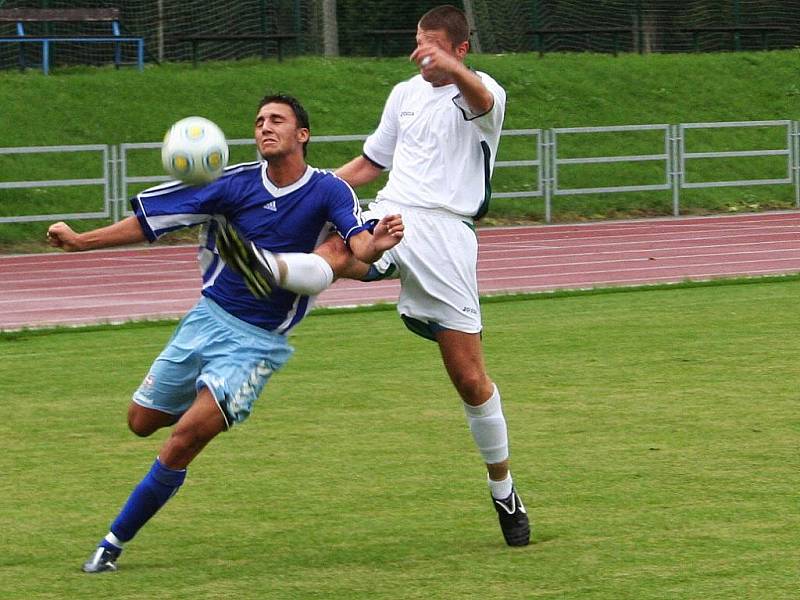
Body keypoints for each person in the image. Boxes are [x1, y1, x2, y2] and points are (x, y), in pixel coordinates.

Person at [46, 93, 404, 573]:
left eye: (277, 119)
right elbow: (152, 222)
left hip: (258, 344)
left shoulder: (328, 190)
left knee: (185, 438)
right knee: (141, 421)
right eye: (258, 121)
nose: (264, 127)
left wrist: (374, 245)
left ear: (303, 135)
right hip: (206, 321)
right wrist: (80, 242)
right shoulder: (230, 185)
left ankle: (112, 543)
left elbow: (357, 242)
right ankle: (201, 398)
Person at [225, 5, 529, 547]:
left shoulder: (483, 91)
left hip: (448, 237)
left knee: (470, 380)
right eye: (417, 44)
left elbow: (478, 97)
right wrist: (308, 190)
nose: (421, 55)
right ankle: (272, 272)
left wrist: (452, 69)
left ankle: (503, 487)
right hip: (394, 210)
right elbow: (369, 165)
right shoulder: (403, 94)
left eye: (433, 46)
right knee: (343, 247)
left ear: (460, 50)